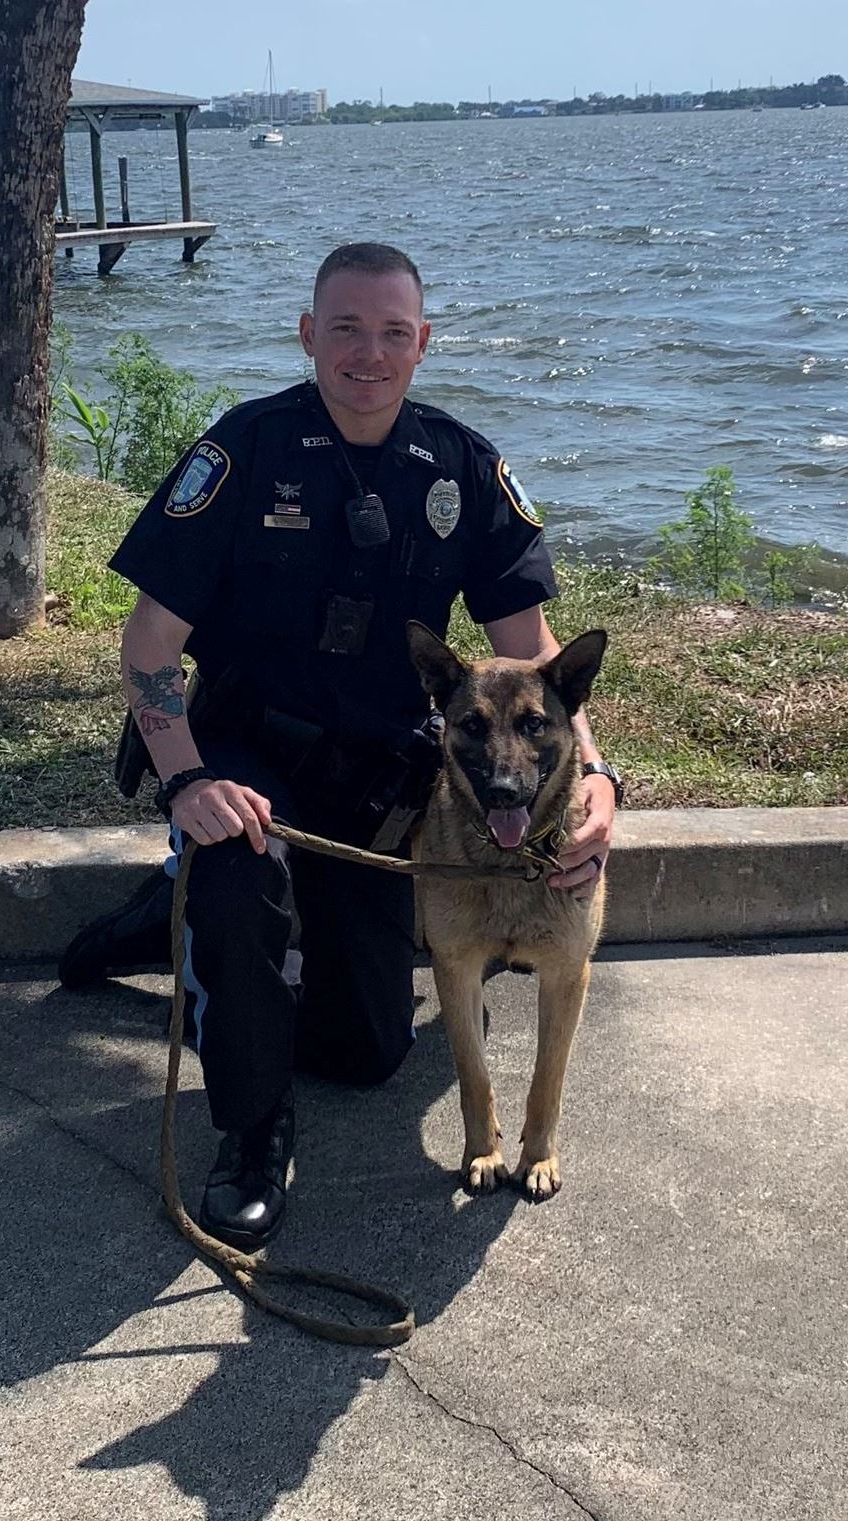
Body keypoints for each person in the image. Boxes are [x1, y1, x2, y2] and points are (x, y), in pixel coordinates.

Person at [61, 243, 621, 1250]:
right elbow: (149, 646)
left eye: (393, 333)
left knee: (365, 1051)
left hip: (374, 788)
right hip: (246, 762)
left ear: (421, 344)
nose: (370, 353)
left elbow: (531, 656)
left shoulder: (458, 464)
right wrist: (184, 779)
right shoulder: (243, 452)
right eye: (347, 329)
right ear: (308, 334)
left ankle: (170, 925)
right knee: (240, 884)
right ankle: (248, 1129)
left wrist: (600, 782)